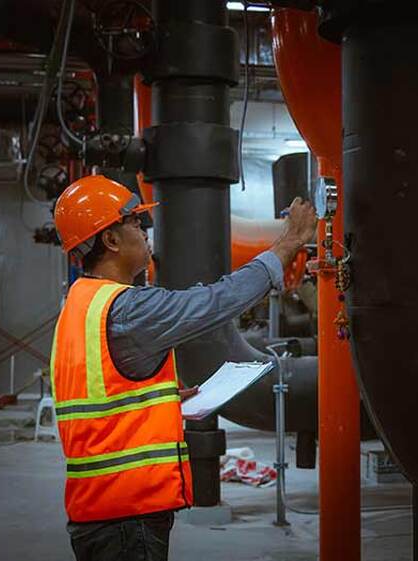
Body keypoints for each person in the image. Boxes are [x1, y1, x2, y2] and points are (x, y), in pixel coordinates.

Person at [49, 175, 317, 561]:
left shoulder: (81, 303)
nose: (144, 232)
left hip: (101, 507)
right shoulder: (128, 309)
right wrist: (290, 242)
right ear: (110, 240)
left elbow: (99, 394)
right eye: (135, 223)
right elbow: (216, 302)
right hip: (128, 514)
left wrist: (160, 399)